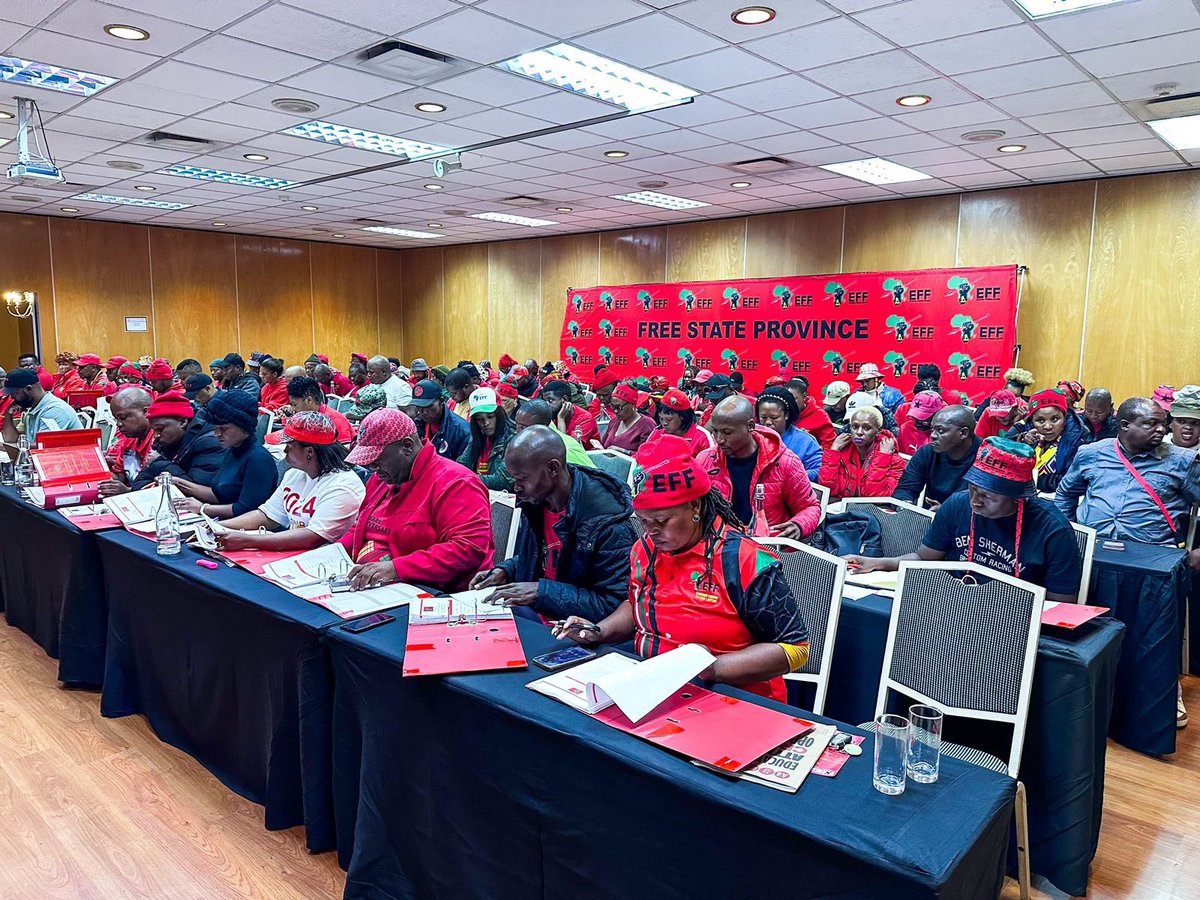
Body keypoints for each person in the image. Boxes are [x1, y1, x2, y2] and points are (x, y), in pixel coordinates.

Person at [556, 435, 810, 703]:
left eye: (662, 520)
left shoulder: (745, 560)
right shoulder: (645, 549)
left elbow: (796, 649)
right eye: (642, 521)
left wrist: (714, 667)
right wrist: (599, 631)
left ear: (694, 507)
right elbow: (638, 604)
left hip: (730, 696)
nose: (651, 531)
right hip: (654, 687)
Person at [845, 438, 1083, 603]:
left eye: (987, 495)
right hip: (955, 604)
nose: (975, 501)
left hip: (1014, 619)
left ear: (1017, 497)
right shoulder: (958, 504)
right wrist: (876, 562)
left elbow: (1060, 603)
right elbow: (923, 557)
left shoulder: (1053, 530)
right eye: (971, 489)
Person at [471, 425, 633, 620]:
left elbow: (614, 604)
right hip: (538, 615)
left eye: (521, 479)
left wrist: (542, 592)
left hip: (575, 631)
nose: (516, 487)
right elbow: (544, 556)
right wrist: (506, 570)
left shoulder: (607, 522)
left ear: (553, 468)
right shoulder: (537, 502)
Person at [339, 409, 493, 592]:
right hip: (374, 584)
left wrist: (397, 569)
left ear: (407, 446)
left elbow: (468, 549)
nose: (372, 468)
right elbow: (361, 526)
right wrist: (332, 554)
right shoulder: (383, 478)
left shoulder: (457, 483)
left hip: (429, 591)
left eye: (377, 459)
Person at [206, 412, 365, 548]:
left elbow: (312, 537)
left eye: (289, 444)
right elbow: (267, 516)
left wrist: (248, 540)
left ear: (309, 451)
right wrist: (217, 526)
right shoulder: (295, 474)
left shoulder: (342, 486)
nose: (284, 449)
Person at [1057, 397, 1200, 547]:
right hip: (1093, 550)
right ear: (1125, 425)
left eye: (1163, 424)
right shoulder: (1091, 453)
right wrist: (1067, 533)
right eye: (1151, 424)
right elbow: (1066, 493)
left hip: (1152, 557)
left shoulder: (1183, 461)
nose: (1162, 430)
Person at [698, 396, 821, 540]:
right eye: (715, 431)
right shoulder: (705, 460)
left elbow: (810, 507)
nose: (719, 439)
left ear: (750, 426)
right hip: (718, 545)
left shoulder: (785, 462)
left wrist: (799, 525)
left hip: (768, 548)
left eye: (727, 433)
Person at [173, 389, 277, 517]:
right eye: (215, 428)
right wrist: (179, 483)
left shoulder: (258, 459)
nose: (217, 434)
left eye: (223, 429)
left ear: (244, 427)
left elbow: (247, 509)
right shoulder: (233, 448)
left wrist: (203, 508)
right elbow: (219, 494)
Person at [130, 390, 225, 490]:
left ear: (182, 422)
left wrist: (159, 463)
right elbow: (139, 485)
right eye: (154, 430)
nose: (156, 436)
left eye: (160, 429)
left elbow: (196, 491)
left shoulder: (209, 443)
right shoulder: (165, 440)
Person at [894, 406, 981, 510]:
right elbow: (905, 488)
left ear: (963, 433)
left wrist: (946, 512)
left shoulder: (985, 458)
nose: (933, 436)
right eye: (933, 429)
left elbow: (987, 507)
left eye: (940, 430)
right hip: (929, 516)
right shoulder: (926, 453)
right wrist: (905, 504)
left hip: (968, 520)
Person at [818, 405, 905, 500]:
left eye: (866, 428)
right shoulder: (842, 450)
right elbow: (827, 489)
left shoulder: (893, 460)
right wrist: (833, 451)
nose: (859, 432)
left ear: (878, 431)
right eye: (855, 427)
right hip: (839, 508)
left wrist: (882, 458)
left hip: (871, 512)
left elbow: (877, 498)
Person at [1, 368, 81, 458]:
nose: (11, 396)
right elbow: (12, 440)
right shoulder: (31, 409)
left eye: (14, 393)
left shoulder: (54, 410)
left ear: (28, 389)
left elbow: (42, 446)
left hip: (68, 464)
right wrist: (8, 414)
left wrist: (3, 446)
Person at [1021, 388, 1086, 493]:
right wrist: (1023, 443)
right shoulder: (1028, 434)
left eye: (1055, 419)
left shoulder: (1079, 442)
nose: (1047, 426)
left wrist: (1032, 480)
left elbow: (1073, 481)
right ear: (1032, 422)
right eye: (1040, 420)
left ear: (1065, 418)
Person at [755, 387, 821, 481]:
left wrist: (790, 476)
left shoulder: (805, 441)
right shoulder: (751, 436)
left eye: (774, 417)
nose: (768, 422)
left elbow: (819, 471)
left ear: (786, 415)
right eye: (763, 417)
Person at [456, 387, 516, 491]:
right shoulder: (478, 436)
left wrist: (468, 478)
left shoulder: (513, 438)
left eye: (490, 416)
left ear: (499, 414)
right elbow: (461, 465)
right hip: (479, 490)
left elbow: (502, 480)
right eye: (479, 419)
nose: (486, 423)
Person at [100, 387, 155, 491]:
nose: (118, 424)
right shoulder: (130, 439)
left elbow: (162, 486)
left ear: (146, 412)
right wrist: (96, 465)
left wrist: (127, 491)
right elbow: (120, 477)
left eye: (123, 418)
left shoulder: (159, 441)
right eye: (116, 419)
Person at [513, 400, 595, 468]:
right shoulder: (539, 440)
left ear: (542, 428)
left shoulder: (561, 450)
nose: (517, 431)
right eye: (516, 424)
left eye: (523, 428)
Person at [269, 376, 353, 443]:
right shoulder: (305, 417)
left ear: (309, 401)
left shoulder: (335, 420)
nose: (293, 409)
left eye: (294, 405)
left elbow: (345, 451)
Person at [410, 378, 470, 460]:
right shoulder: (416, 426)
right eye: (418, 407)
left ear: (441, 401)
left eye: (428, 406)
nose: (423, 411)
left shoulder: (462, 432)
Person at [648, 388, 711, 458]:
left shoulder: (702, 437)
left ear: (682, 416)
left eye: (669, 419)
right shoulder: (657, 433)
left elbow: (709, 464)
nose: (664, 423)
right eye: (661, 419)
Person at [540, 379, 600, 448]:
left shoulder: (586, 419)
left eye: (550, 400)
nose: (546, 405)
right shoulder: (552, 413)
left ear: (565, 400)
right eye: (545, 401)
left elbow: (567, 448)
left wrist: (561, 419)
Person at [600, 383, 656, 454]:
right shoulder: (614, 422)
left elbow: (646, 455)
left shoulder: (647, 425)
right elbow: (603, 445)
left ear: (632, 405)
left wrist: (624, 452)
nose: (615, 411)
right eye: (613, 406)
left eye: (618, 407)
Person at [785, 376, 836, 449]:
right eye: (787, 399)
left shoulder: (820, 415)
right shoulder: (783, 412)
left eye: (794, 399)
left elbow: (828, 445)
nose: (790, 403)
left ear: (804, 396)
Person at [897, 391, 946, 455]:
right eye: (914, 417)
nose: (917, 423)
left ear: (937, 414)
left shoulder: (946, 433)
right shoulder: (905, 429)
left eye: (924, 419)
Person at [1167, 385, 1200, 450]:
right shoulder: (1156, 447)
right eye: (1181, 421)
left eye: (1196, 423)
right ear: (1171, 423)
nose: (1188, 427)